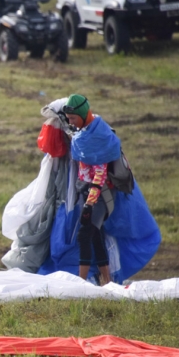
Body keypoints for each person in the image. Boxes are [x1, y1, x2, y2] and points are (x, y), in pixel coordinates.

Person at [62, 94, 119, 286]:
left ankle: (81, 284)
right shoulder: (84, 132)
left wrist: (89, 204)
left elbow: (100, 175)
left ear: (82, 114)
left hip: (99, 196)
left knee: (84, 235)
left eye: (72, 119)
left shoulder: (99, 137)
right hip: (87, 193)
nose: (71, 122)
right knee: (95, 237)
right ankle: (106, 281)